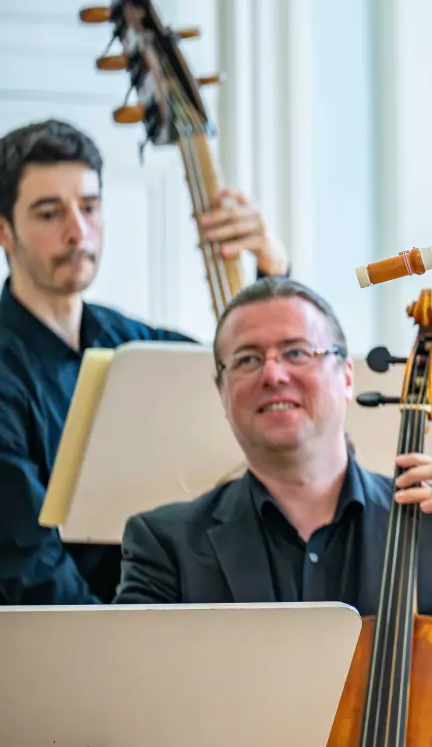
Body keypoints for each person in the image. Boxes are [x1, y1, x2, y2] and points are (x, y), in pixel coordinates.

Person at [114, 277, 432, 700]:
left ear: (345, 376)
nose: (272, 373)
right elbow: (125, 704)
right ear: (222, 392)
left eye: (296, 352)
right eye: (246, 359)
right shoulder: (166, 545)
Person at [0, 119, 290, 605]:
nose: (78, 231)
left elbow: (242, 366)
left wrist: (272, 268)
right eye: (50, 214)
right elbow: (29, 564)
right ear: (5, 231)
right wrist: (125, 651)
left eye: (89, 207)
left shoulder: (131, 342)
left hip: (153, 624)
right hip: (61, 650)